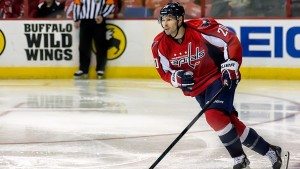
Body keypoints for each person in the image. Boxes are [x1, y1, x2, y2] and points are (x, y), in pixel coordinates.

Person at [151, 2, 289, 169]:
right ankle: (270, 151)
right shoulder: (159, 44)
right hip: (197, 89)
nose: (165, 24)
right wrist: (176, 78)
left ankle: (239, 159)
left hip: (219, 77)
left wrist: (231, 64)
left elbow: (230, 40)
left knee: (214, 116)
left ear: (180, 19)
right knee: (228, 122)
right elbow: (164, 72)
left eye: (169, 19)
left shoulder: (200, 28)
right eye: (162, 19)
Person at [73, 0, 115, 79]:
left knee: (101, 45)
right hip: (85, 21)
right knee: (83, 46)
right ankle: (83, 69)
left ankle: (100, 69)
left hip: (98, 21)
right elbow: (77, 3)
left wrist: (102, 15)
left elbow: (110, 4)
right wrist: (76, 19)